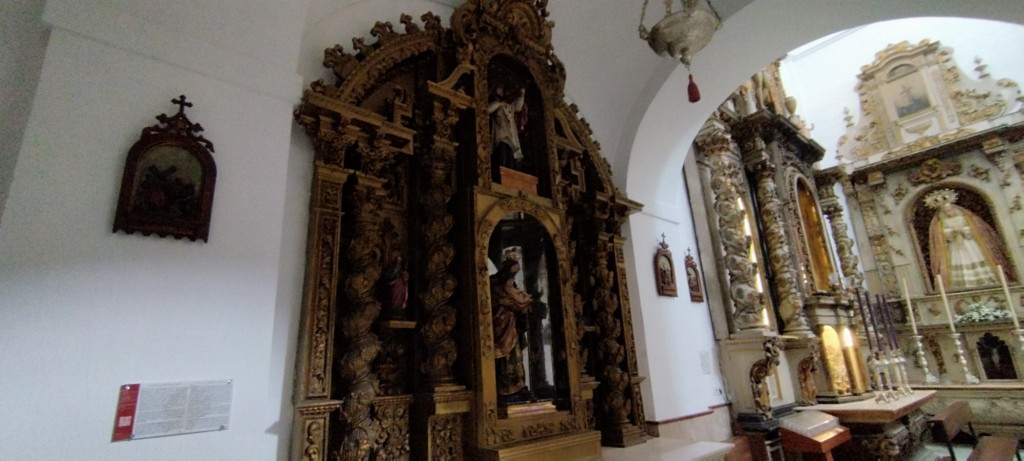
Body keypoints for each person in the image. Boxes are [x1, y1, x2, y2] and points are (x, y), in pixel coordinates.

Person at [926, 189, 1010, 290]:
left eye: (950, 210)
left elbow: (978, 230)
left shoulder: (967, 218)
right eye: (946, 212)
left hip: (970, 243)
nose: (949, 213)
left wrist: (963, 230)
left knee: (978, 258)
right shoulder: (941, 224)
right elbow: (939, 238)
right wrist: (950, 233)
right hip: (954, 247)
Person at [490, 258, 533, 402]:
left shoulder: (511, 284)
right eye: (513, 272)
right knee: (503, 357)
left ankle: (518, 385)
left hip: (511, 326)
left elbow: (517, 300)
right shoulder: (495, 284)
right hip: (500, 325)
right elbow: (494, 300)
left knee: (515, 354)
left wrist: (521, 306)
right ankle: (506, 388)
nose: (513, 277)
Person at [489, 85, 528, 181]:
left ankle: (510, 177)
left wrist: (521, 95)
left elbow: (518, 107)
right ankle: (500, 176)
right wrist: (500, 103)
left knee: (510, 157)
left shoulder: (509, 106)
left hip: (510, 136)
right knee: (502, 154)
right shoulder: (496, 104)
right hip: (501, 135)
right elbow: (489, 109)